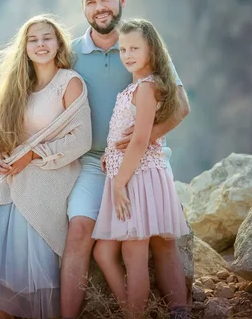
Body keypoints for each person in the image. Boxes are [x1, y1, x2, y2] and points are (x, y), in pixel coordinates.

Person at [0, 0, 191, 318]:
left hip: (141, 157)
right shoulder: (73, 54)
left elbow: (181, 107)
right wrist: (2, 143)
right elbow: (35, 96)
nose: (100, 8)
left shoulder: (141, 47)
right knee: (80, 230)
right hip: (89, 162)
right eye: (91, 2)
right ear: (83, 8)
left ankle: (179, 309)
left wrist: (143, 139)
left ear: (121, 0)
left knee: (161, 237)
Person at [0, 15, 92, 319]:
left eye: (47, 38)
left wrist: (34, 154)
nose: (41, 44)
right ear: (25, 47)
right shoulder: (19, 86)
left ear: (58, 43)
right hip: (14, 177)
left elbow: (81, 139)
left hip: (52, 177)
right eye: (33, 39)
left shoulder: (70, 83)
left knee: (18, 270)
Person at [92, 18, 190, 318]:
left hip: (136, 178)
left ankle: (159, 312)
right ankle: (149, 309)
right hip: (130, 173)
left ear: (153, 50)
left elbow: (139, 141)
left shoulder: (147, 88)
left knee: (135, 255)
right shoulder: (137, 86)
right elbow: (128, 135)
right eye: (123, 49)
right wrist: (110, 154)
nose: (127, 55)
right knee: (105, 251)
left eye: (135, 48)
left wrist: (120, 184)